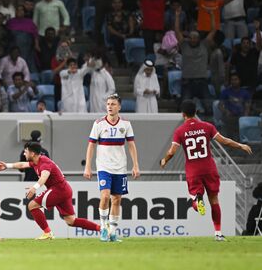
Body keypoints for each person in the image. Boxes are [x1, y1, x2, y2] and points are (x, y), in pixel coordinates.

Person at [160, 99, 252, 241]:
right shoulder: (207, 126)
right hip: (209, 168)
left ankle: (197, 201)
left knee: (195, 196)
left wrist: (165, 160)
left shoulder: (180, 131)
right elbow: (224, 141)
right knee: (214, 200)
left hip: (193, 170)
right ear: (196, 112)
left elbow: (172, 151)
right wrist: (241, 145)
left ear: (183, 114)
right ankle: (218, 234)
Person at [0, 142, 101, 240]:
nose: (24, 153)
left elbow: (44, 177)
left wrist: (34, 188)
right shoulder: (36, 161)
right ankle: (102, 229)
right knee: (71, 221)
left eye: (26, 151)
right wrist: (8, 166)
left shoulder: (44, 163)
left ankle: (47, 233)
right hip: (64, 189)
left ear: (32, 153)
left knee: (32, 205)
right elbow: (23, 165)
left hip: (58, 189)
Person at [84, 93, 140, 242]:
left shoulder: (126, 124)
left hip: (120, 167)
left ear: (119, 107)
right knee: (105, 196)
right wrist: (88, 166)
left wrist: (135, 165)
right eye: (108, 104)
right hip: (103, 166)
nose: (110, 106)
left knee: (116, 200)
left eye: (113, 104)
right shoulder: (99, 123)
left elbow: (131, 145)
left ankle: (113, 232)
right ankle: (103, 228)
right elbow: (91, 145)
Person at [174, 5, 214, 115]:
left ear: (199, 38)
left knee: (209, 107)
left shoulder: (204, 45)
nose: (193, 39)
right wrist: (177, 16)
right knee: (184, 108)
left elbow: (213, 30)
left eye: (195, 37)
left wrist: (211, 15)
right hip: (188, 82)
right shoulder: (184, 45)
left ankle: (209, 129)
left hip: (202, 81)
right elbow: (177, 31)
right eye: (191, 37)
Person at [6, 5, 39, 73]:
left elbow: (35, 35)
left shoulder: (30, 22)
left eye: (21, 10)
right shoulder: (10, 22)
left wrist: (37, 45)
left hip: (27, 48)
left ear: (24, 12)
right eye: (18, 10)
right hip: (14, 46)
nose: (19, 11)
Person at [219, 73, 251, 140]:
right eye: (232, 80)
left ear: (239, 80)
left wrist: (245, 117)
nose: (234, 81)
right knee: (229, 120)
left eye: (236, 79)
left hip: (241, 116)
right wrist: (226, 111)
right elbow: (220, 105)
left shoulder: (245, 92)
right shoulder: (225, 92)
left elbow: (247, 106)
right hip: (229, 116)